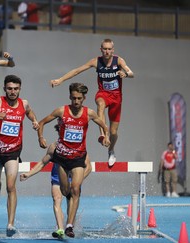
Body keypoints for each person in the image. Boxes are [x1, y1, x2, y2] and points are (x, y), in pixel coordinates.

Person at [36, 82, 109, 238]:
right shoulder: (62, 111)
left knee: (75, 189)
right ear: (70, 96)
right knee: (65, 191)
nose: (76, 102)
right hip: (62, 158)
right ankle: (66, 221)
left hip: (78, 158)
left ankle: (69, 226)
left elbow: (103, 124)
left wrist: (105, 137)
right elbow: (41, 122)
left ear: (84, 98)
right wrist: (41, 138)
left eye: (79, 99)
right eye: (74, 98)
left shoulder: (89, 113)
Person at [50, 38, 134, 167]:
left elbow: (131, 72)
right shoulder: (96, 61)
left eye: (109, 49)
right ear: (101, 50)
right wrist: (60, 80)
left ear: (113, 50)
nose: (107, 51)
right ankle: (102, 134)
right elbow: (77, 70)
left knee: (114, 132)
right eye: (104, 49)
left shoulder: (119, 61)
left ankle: (111, 150)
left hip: (117, 98)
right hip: (103, 94)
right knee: (100, 104)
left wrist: (126, 74)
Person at [0, 75, 39, 237]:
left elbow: (30, 113)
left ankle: (10, 223)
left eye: (16, 89)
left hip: (13, 152)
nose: (13, 92)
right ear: (5, 88)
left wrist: (34, 121)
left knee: (11, 186)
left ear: (20, 89)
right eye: (10, 88)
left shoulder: (24, 104)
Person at [20, 125, 92, 239]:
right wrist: (29, 174)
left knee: (70, 206)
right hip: (57, 178)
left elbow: (88, 167)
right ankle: (60, 229)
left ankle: (70, 226)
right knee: (56, 199)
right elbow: (43, 162)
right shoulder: (54, 147)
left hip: (72, 179)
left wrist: (78, 181)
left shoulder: (80, 147)